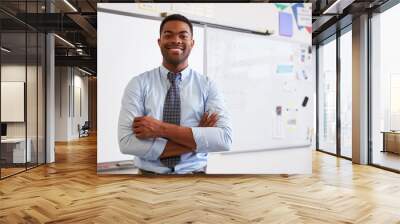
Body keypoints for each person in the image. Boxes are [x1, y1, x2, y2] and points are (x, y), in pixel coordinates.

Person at [118, 14, 232, 174]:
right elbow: (127, 143)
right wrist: (197, 136)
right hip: (148, 179)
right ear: (159, 42)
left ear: (192, 43)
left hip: (195, 177)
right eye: (168, 35)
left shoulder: (208, 86)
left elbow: (224, 139)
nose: (176, 40)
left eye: (183, 35)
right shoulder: (138, 84)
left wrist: (161, 129)